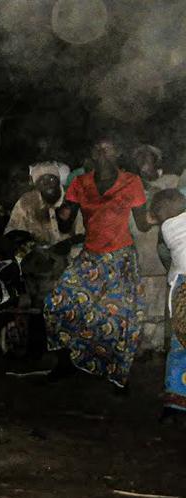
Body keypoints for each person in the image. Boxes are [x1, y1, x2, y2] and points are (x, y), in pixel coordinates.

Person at [45, 138, 147, 389]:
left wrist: (167, 212)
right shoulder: (80, 183)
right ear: (91, 154)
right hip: (90, 256)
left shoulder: (132, 181)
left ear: (118, 153)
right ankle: (65, 362)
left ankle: (118, 376)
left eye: (108, 148)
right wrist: (63, 214)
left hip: (120, 257)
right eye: (97, 149)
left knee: (118, 317)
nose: (102, 153)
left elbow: (143, 224)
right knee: (57, 301)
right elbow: (66, 225)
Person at [131, 144, 175, 353]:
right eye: (139, 159)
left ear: (157, 160)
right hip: (141, 253)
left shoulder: (171, 182)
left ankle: (159, 344)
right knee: (142, 302)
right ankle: (144, 343)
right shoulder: (132, 186)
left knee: (162, 302)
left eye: (147, 158)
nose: (143, 163)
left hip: (165, 255)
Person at [146, 189, 186, 419]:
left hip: (181, 287)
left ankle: (175, 402)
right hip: (182, 287)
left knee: (179, 347)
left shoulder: (167, 229)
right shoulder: (172, 227)